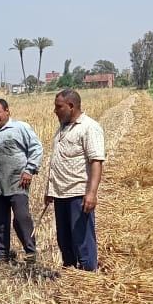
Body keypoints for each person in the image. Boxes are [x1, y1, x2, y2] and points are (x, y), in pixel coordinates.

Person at [0, 98, 43, 263]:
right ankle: (0, 254)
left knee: (21, 219)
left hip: (17, 182)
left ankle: (30, 252)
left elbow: (36, 148)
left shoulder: (20, 128)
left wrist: (29, 169)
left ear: (7, 112)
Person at [44, 88, 105, 271]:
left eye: (58, 107)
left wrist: (91, 194)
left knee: (82, 241)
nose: (55, 110)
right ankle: (70, 275)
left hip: (78, 194)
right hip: (60, 194)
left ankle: (87, 279)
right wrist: (50, 189)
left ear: (71, 106)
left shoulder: (89, 127)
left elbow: (96, 161)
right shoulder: (62, 128)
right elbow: (58, 161)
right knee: (64, 241)